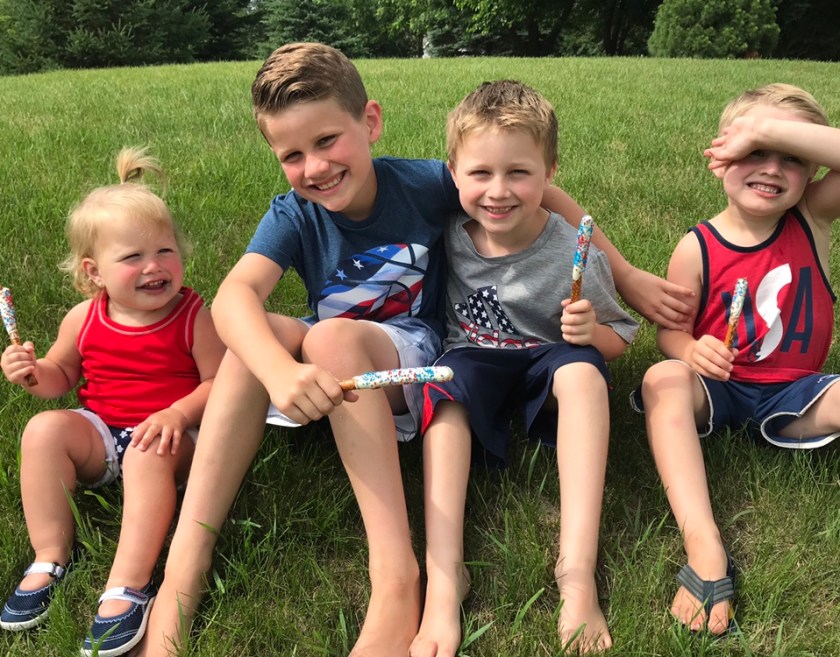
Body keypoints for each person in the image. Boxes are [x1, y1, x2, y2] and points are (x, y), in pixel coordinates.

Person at [138, 43, 693, 657]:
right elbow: (233, 296)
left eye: (327, 140)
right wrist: (276, 371)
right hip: (338, 367)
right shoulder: (294, 214)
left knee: (328, 335)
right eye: (292, 155)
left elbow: (547, 197)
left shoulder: (426, 183)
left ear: (370, 122)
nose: (315, 167)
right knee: (253, 340)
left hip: (413, 355)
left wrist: (626, 275)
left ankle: (396, 577)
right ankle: (185, 567)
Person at [409, 80, 638, 656]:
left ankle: (577, 571)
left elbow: (620, 338)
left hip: (550, 360)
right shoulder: (445, 233)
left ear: (549, 173)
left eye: (519, 173)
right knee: (443, 391)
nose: (498, 191)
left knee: (584, 374)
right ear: (453, 174)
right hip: (473, 357)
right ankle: (444, 578)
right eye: (480, 173)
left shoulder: (572, 250)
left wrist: (591, 334)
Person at [0, 148, 225, 656]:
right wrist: (32, 374)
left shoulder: (193, 316)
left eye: (165, 251)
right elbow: (60, 376)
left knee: (146, 452)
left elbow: (219, 383)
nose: (154, 267)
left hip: (174, 440)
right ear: (94, 272)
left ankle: (128, 584)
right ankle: (50, 554)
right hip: (103, 433)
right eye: (132, 258)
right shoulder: (83, 318)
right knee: (42, 430)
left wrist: (178, 413)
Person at [636, 83, 840, 635]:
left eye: (791, 157)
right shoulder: (696, 246)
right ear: (721, 157)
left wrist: (764, 129)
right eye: (754, 152)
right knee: (662, 378)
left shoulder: (813, 218)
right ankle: (703, 541)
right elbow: (669, 334)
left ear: (810, 170)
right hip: (718, 390)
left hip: (796, 394)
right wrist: (689, 349)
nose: (771, 168)